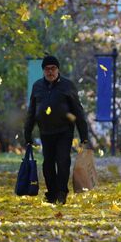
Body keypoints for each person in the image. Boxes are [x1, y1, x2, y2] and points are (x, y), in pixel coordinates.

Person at [24, 55, 88, 204]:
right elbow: (32, 111)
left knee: (63, 161)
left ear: (58, 69)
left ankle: (61, 192)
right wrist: (27, 133)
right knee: (47, 164)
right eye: (47, 69)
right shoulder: (37, 86)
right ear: (43, 71)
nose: (50, 72)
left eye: (53, 68)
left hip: (64, 131)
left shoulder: (68, 86)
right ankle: (51, 193)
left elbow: (78, 111)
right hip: (45, 131)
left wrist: (84, 135)